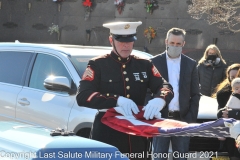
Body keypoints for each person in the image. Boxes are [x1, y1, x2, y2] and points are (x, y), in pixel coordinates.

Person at [76, 21, 174, 160]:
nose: (126, 45)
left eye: (129, 41)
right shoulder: (98, 65)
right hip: (108, 133)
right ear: (111, 40)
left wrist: (160, 99)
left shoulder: (144, 64)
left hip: (137, 136)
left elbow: (164, 86)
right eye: (121, 41)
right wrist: (116, 101)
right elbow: (83, 96)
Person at [150, 27, 200, 160]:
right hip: (160, 119)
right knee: (159, 156)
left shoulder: (190, 64)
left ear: (183, 44)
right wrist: (151, 115)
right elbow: (147, 91)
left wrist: (190, 119)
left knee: (181, 157)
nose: (175, 46)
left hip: (182, 120)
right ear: (166, 41)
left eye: (178, 44)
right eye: (172, 43)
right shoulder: (154, 62)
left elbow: (195, 94)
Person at [214, 64, 240, 160]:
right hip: (232, 133)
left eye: (238, 77)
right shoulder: (223, 94)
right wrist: (222, 113)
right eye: (232, 77)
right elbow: (221, 113)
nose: (235, 80)